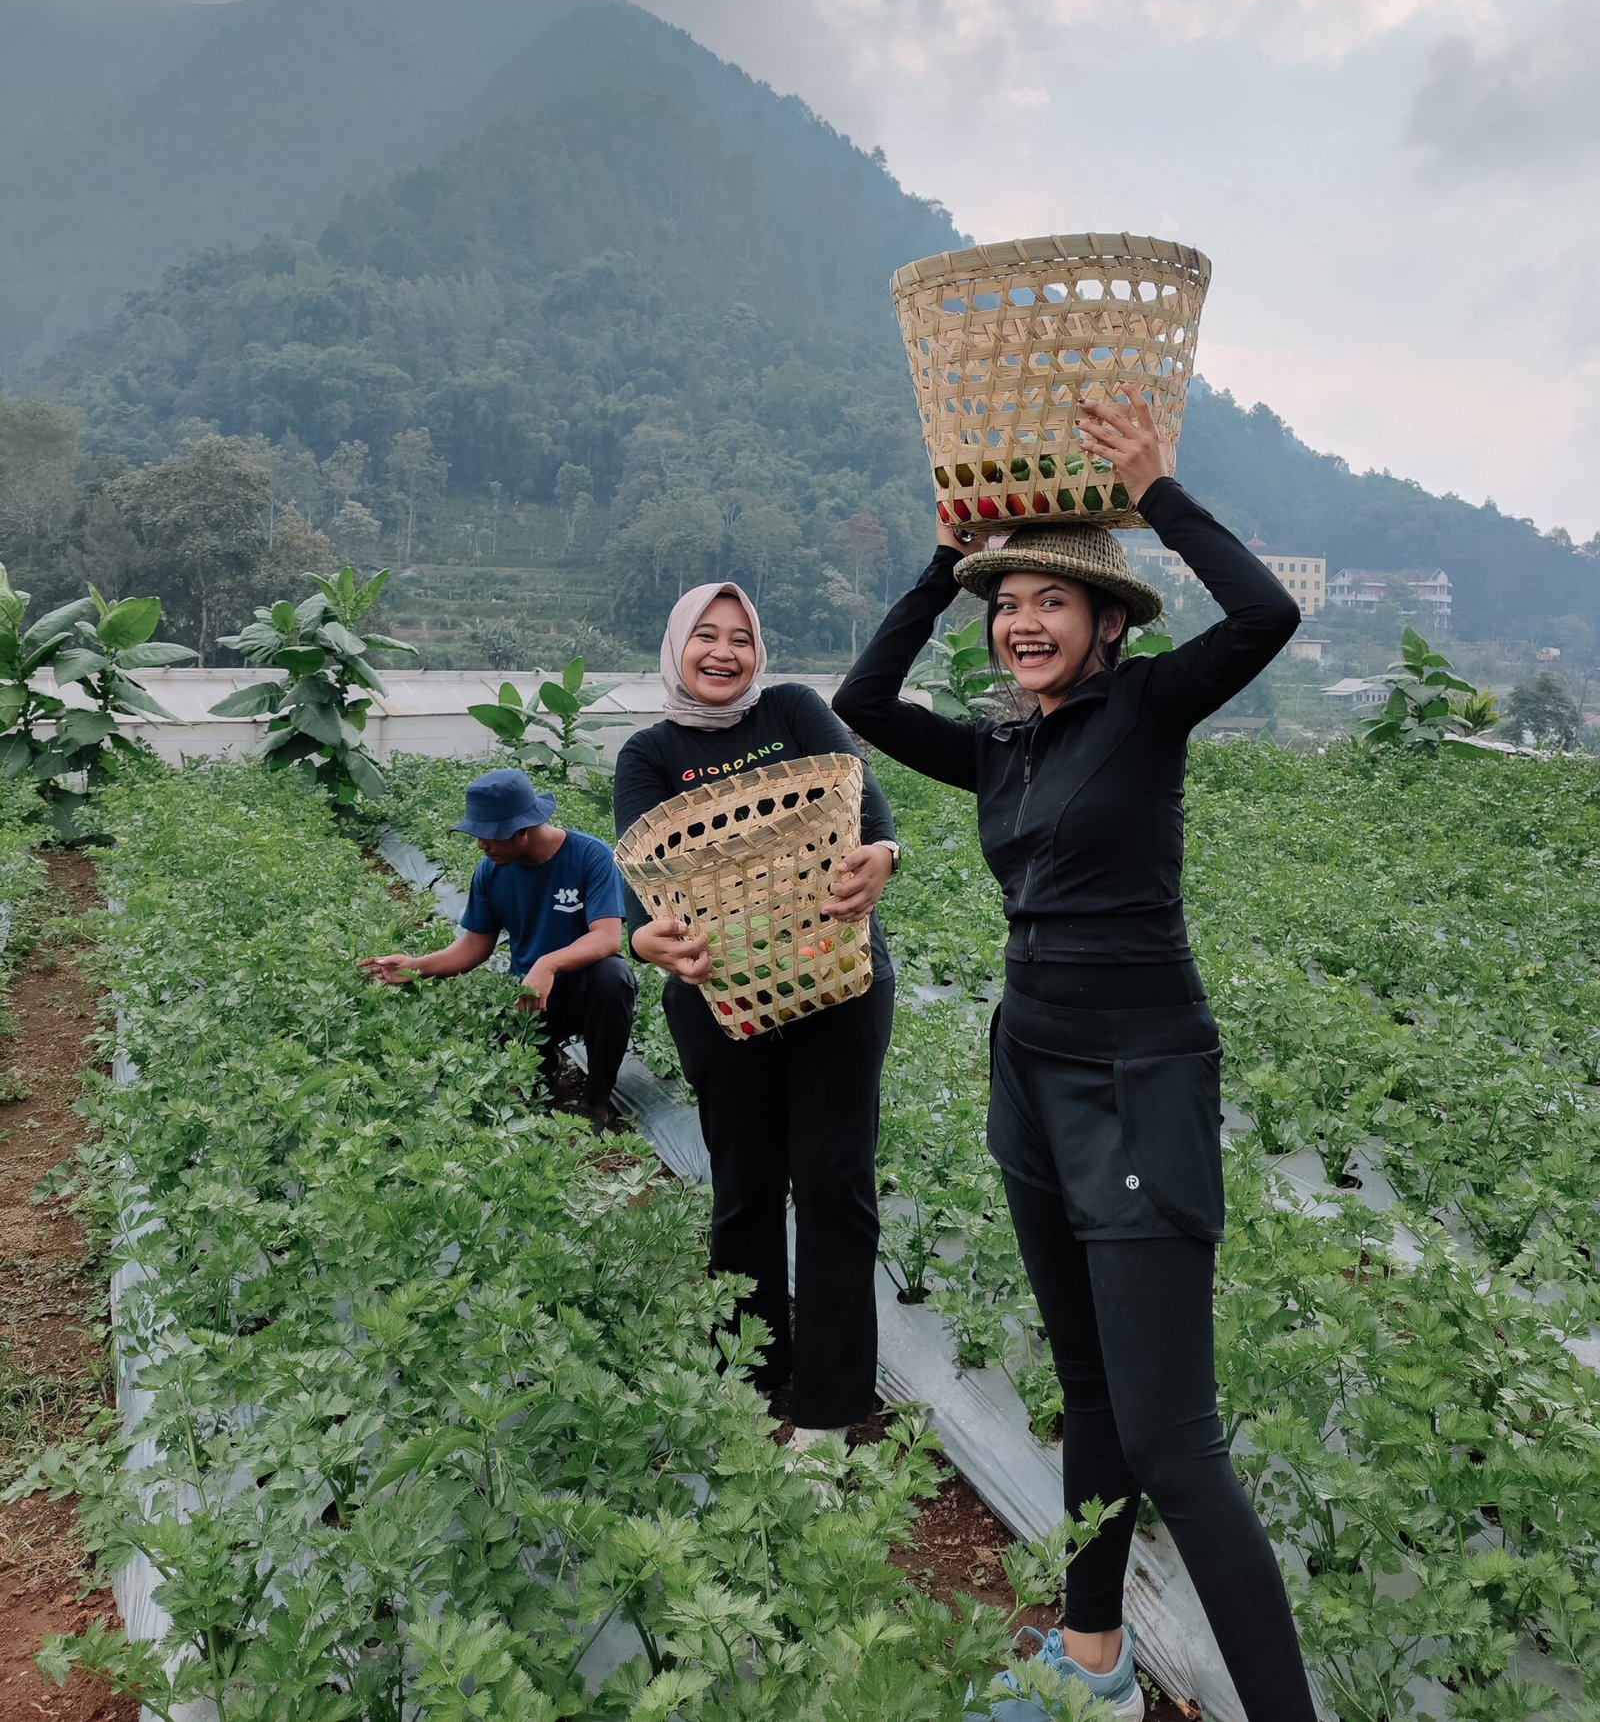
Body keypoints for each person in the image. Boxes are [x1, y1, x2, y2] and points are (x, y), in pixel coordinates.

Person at [834, 388, 1314, 1722]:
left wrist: (1158, 490)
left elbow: (1268, 617)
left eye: (1051, 600)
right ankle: (1095, 1661)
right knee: (1089, 1385)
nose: (1021, 621)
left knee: (1174, 1438)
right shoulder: (1000, 744)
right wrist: (947, 557)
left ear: (1108, 622)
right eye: (1008, 603)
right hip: (1029, 1075)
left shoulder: (1151, 705)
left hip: (1139, 1076)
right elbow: (863, 694)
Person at [614, 582, 899, 1452]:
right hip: (718, 994)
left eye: (741, 637)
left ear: (760, 650)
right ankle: (748, 1372)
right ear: (676, 645)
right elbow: (643, 886)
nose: (723, 652)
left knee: (833, 1183)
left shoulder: (794, 710)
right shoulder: (649, 752)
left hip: (835, 978)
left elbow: (858, 798)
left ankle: (826, 1407)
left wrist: (884, 853)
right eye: (705, 634)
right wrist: (646, 943)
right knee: (742, 1186)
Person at [360, 767, 636, 1127]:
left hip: (585, 991)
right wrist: (415, 966)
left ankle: (597, 1101)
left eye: (489, 835)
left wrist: (548, 964)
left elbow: (607, 937)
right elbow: (475, 945)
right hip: (528, 997)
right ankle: (545, 1068)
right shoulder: (490, 872)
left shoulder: (591, 856)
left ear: (522, 829)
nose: (481, 844)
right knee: (516, 1075)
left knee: (612, 976)